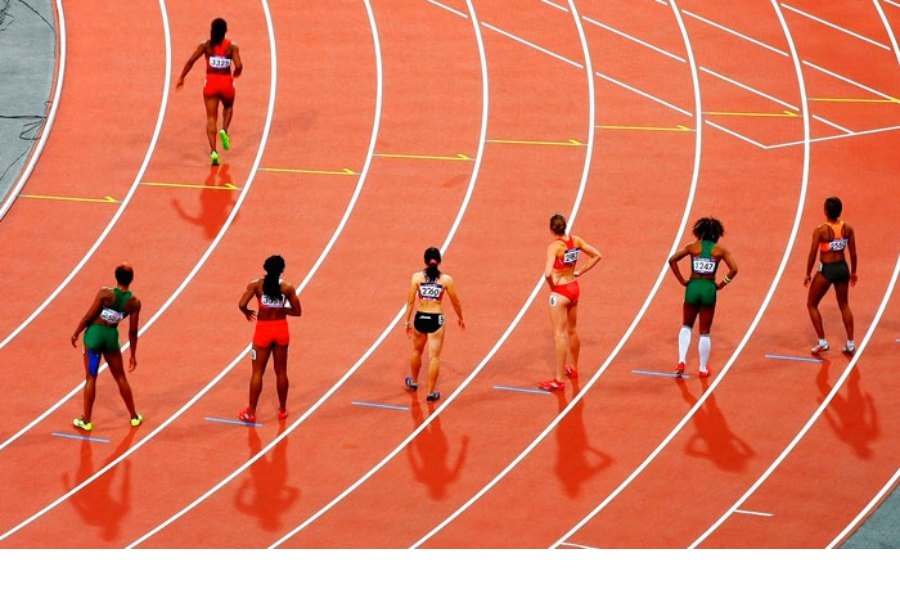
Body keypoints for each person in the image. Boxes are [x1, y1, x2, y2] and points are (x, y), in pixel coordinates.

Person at [70, 264, 143, 431]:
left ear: (116, 277)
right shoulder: (134, 302)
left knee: (91, 378)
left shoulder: (105, 293)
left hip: (94, 337)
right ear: (131, 279)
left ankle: (86, 421)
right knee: (120, 377)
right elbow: (133, 332)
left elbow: (89, 316)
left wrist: (76, 332)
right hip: (111, 338)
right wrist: (133, 355)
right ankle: (133, 417)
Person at [667, 217, 738, 378]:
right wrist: (722, 284)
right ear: (717, 234)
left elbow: (672, 260)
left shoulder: (693, 247)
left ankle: (681, 361)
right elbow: (734, 269)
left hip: (692, 287)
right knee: (704, 332)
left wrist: (682, 280)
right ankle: (702, 368)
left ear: (699, 232)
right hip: (708, 289)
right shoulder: (720, 251)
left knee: (686, 326)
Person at [538, 213, 602, 391]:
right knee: (572, 330)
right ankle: (573, 369)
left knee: (559, 334)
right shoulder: (576, 241)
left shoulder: (554, 247)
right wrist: (580, 272)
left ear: (551, 229)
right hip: (574, 287)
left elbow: (548, 273)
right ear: (565, 226)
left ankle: (559, 380)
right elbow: (597, 255)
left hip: (560, 292)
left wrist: (553, 287)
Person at [238, 255, 302, 423]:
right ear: (282, 270)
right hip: (281, 330)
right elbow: (297, 311)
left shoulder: (256, 285)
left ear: (265, 268)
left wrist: (247, 312)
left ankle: (251, 412)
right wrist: (281, 310)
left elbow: (241, 304)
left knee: (257, 372)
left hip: (262, 331)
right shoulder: (287, 288)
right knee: (281, 371)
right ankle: (282, 410)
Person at [176, 17, 243, 166]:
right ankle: (224, 130)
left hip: (211, 83)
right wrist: (237, 73)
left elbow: (190, 61)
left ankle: (213, 152)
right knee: (228, 106)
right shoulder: (232, 47)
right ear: (225, 31)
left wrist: (182, 77)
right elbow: (239, 65)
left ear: (211, 31)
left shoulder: (206, 46)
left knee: (211, 118)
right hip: (226, 82)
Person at [404, 247, 464, 402]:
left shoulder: (416, 277)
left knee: (417, 350)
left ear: (425, 260)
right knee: (435, 357)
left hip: (420, 317)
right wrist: (460, 317)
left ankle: (414, 382)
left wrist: (406, 321)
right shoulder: (446, 280)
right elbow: (455, 301)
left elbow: (410, 301)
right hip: (437, 319)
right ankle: (430, 393)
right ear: (439, 261)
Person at [805, 196, 857, 354]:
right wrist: (853, 272)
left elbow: (812, 255)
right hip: (842, 268)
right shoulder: (847, 229)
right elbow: (853, 253)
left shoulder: (820, 231)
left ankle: (822, 342)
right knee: (844, 305)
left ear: (826, 211)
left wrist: (807, 273)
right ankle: (850, 343)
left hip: (827, 270)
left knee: (811, 304)